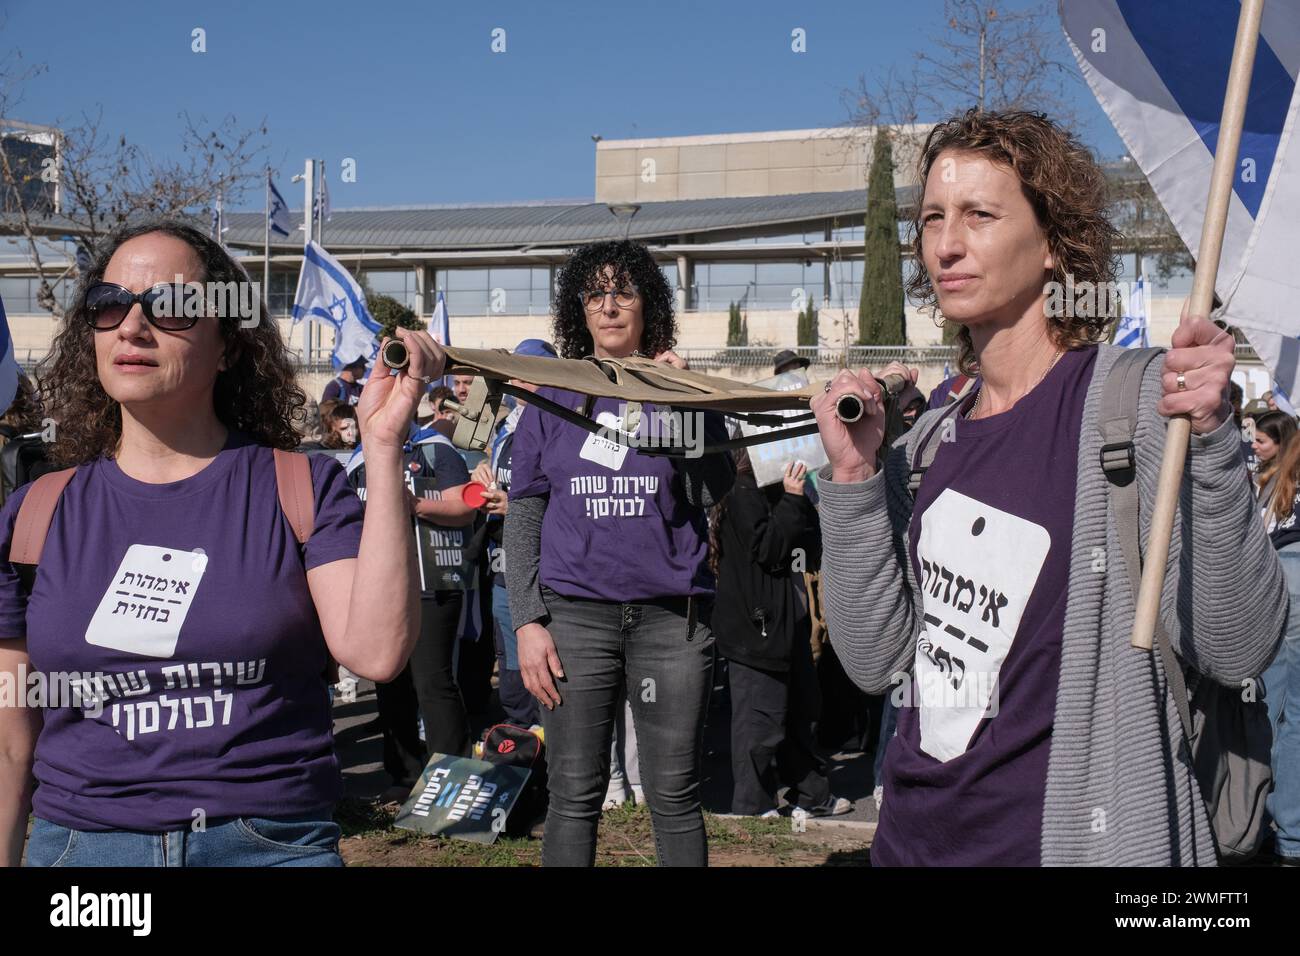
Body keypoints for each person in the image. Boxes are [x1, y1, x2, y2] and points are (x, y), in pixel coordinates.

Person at [812, 109, 1286, 866]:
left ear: (1053, 245)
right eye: (933, 216)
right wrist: (855, 478)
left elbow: (1237, 646)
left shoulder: (1135, 406)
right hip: (908, 845)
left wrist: (1212, 444)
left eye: (979, 215)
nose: (945, 243)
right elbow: (877, 664)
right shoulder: (932, 437)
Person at [0, 219, 443, 867]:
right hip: (84, 859)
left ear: (229, 347)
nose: (131, 325)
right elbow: (10, 742)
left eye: (173, 307)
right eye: (108, 304)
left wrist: (382, 445)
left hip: (267, 847)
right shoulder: (35, 513)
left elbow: (376, 652)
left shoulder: (302, 488)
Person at [504, 239, 735, 866]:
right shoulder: (550, 397)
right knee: (573, 794)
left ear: (647, 305)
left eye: (623, 292)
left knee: (674, 794)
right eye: (595, 294)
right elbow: (524, 511)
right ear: (579, 310)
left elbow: (715, 489)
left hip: (670, 619)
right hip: (575, 619)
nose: (608, 307)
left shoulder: (678, 385)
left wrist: (683, 402)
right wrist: (527, 620)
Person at [712, 452, 850, 818]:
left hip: (787, 622)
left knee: (801, 713)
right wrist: (791, 497)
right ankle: (752, 805)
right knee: (760, 722)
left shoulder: (773, 491)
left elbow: (807, 546)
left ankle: (811, 795)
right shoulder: (742, 492)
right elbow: (769, 548)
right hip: (757, 628)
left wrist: (799, 499)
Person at [467, 338, 557, 730]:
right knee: (512, 672)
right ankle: (523, 757)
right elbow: (476, 450)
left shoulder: (563, 423)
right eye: (515, 376)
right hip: (503, 571)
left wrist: (517, 507)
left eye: (529, 375)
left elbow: (572, 500)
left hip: (548, 573)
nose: (518, 384)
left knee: (551, 671)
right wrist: (481, 473)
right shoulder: (505, 425)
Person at [1257, 431, 1300, 865]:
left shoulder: (1277, 483)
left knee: (1266, 709)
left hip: (1275, 577)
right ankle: (1292, 833)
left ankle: (1249, 815)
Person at [1253, 410, 1297, 514]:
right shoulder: (1259, 474)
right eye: (1254, 440)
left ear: (1282, 442)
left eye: (1260, 441)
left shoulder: (1294, 479)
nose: (1253, 445)